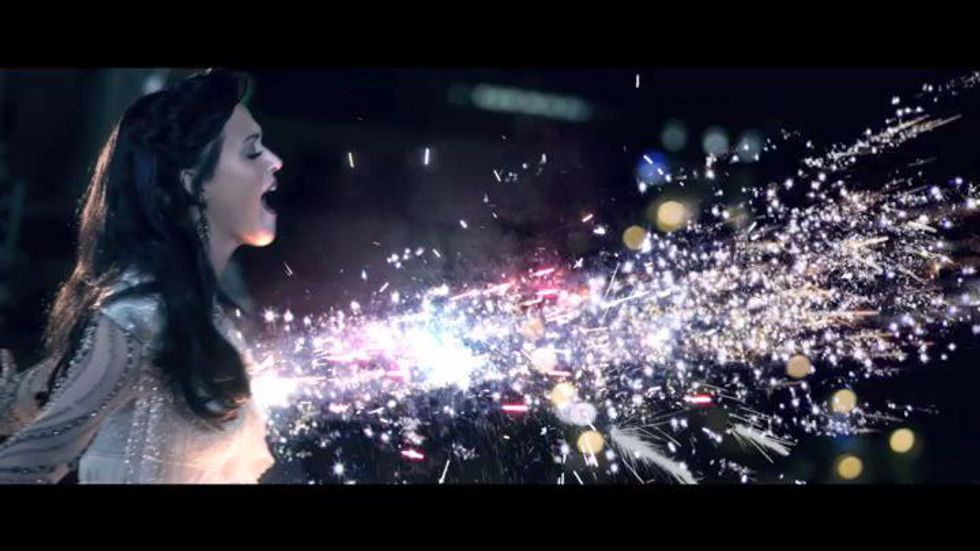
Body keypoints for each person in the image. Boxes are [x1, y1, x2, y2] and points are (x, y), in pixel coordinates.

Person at [0, 69, 283, 483]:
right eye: (251, 151)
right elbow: (20, 465)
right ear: (193, 184)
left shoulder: (208, 321)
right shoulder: (139, 316)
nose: (275, 161)